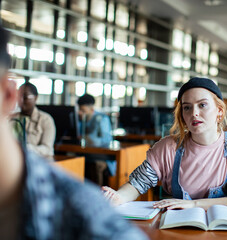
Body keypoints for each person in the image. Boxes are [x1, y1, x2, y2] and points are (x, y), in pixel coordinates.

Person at [0, 26, 147, 240]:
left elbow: (103, 140)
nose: (81, 112)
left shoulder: (90, 222)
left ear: (8, 95)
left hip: (102, 158)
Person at [103, 77, 227, 212]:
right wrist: (118, 197)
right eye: (187, 107)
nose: (194, 113)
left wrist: (193, 205)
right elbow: (138, 183)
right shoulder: (168, 147)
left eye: (202, 105)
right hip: (180, 229)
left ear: (219, 111)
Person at [77, 93, 114, 186]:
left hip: (102, 154)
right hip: (87, 153)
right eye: (79, 110)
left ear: (91, 109)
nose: (80, 113)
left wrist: (84, 137)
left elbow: (100, 141)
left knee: (92, 165)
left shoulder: (101, 119)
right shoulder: (81, 120)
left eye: (83, 110)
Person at [12, 82, 56, 160]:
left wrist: (27, 148)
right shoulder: (12, 119)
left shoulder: (46, 120)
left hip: (39, 164)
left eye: (25, 97)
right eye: (18, 97)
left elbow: (47, 149)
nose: (21, 101)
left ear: (35, 98)